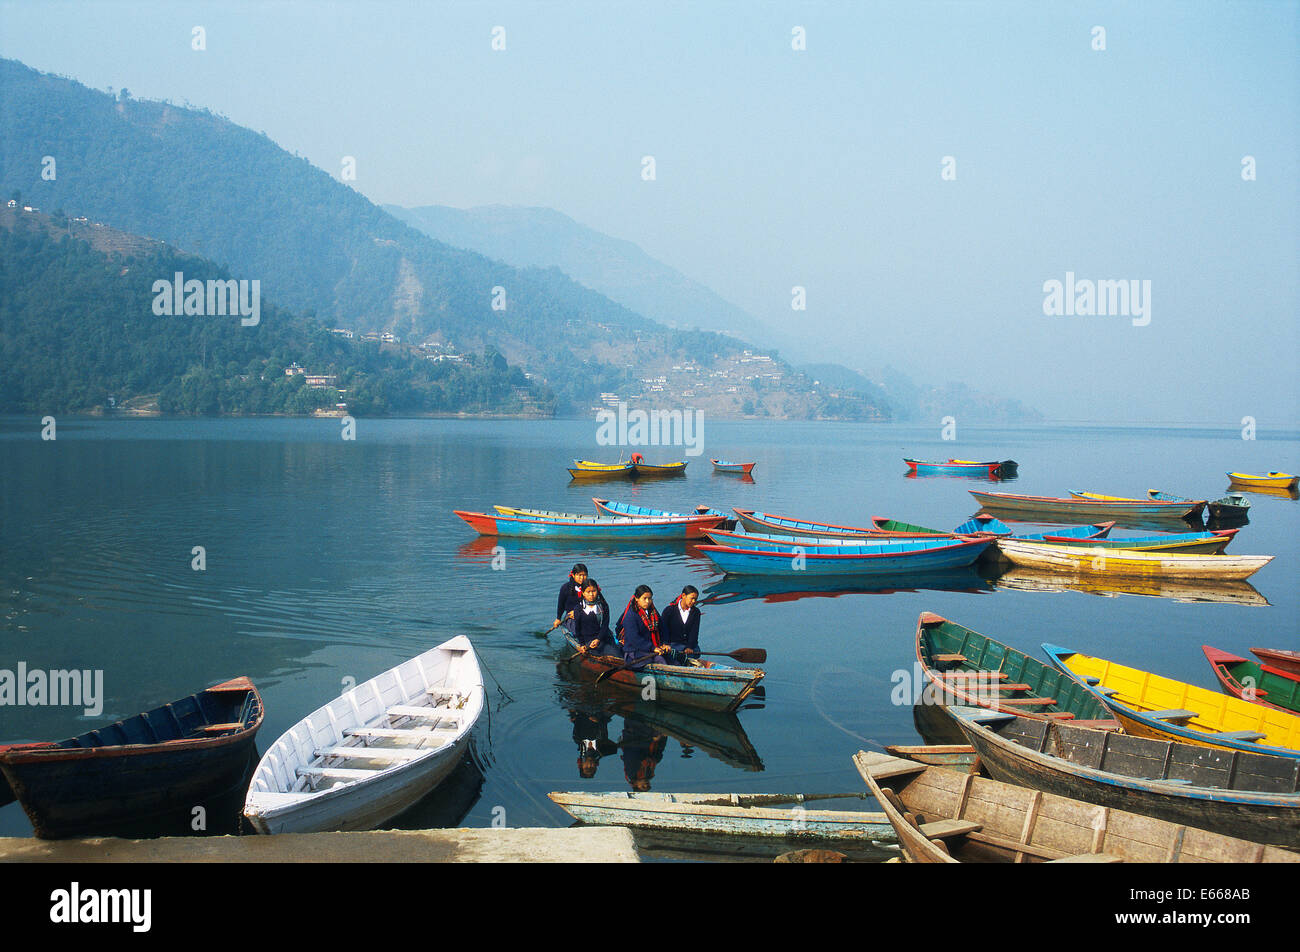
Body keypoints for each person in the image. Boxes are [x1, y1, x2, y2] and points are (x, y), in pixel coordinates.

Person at [615, 584, 670, 669]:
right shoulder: (631, 615)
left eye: (650, 598)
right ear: (637, 599)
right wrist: (652, 648)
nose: (648, 601)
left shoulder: (653, 612)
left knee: (674, 659)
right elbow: (634, 638)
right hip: (635, 651)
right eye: (644, 598)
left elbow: (663, 629)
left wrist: (665, 643)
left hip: (652, 648)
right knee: (660, 660)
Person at [566, 578, 617, 655]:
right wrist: (582, 644)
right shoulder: (578, 608)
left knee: (616, 654)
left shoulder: (603, 606)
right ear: (583, 593)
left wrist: (598, 639)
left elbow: (605, 625)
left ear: (597, 591)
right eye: (588, 592)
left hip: (604, 638)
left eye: (594, 591)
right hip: (588, 641)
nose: (591, 594)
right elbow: (578, 629)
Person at [660, 585, 703, 665]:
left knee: (696, 651)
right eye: (692, 598)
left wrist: (689, 646)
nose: (693, 601)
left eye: (695, 599)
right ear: (683, 596)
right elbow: (663, 630)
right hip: (673, 645)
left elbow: (694, 632)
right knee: (675, 652)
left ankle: (683, 659)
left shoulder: (696, 612)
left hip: (689, 646)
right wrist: (665, 643)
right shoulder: (669, 610)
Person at [553, 563, 590, 629]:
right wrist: (558, 618)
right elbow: (561, 604)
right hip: (571, 616)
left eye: (584, 575)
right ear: (573, 575)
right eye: (579, 575)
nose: (582, 578)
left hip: (587, 613)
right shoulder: (566, 588)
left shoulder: (590, 587)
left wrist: (578, 612)